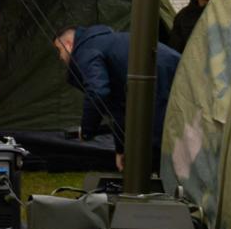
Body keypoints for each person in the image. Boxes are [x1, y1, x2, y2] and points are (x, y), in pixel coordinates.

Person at [56, 26, 180, 171]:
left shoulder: (85, 51)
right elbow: (118, 108)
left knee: (155, 138)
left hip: (161, 76)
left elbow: (97, 92)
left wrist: (87, 131)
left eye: (59, 50)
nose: (60, 57)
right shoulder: (103, 44)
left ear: (69, 45)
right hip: (174, 69)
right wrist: (121, 149)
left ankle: (159, 180)